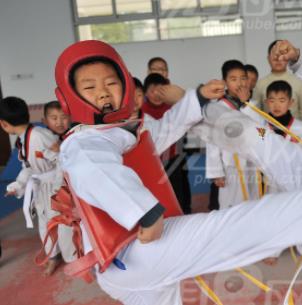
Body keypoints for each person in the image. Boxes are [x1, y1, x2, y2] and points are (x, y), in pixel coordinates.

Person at [52, 40, 302, 305]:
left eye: (111, 84)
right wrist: (144, 213)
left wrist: (194, 99)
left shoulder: (127, 132)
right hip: (133, 247)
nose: (103, 94)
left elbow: (171, 127)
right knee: (243, 225)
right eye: (90, 88)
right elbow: (94, 170)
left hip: (130, 264)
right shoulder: (83, 141)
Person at [0, 97, 63, 275]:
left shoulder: (40, 136)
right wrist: (18, 185)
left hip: (55, 186)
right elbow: (28, 167)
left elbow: (63, 160)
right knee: (45, 223)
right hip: (42, 186)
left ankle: (72, 256)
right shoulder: (24, 139)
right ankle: (53, 256)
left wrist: (59, 187)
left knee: (61, 223)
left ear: (4, 124)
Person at [205, 60, 259, 209]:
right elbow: (211, 141)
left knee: (255, 203)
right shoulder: (216, 108)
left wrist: (246, 105)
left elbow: (261, 133)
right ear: (225, 83)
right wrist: (216, 171)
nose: (239, 83)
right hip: (230, 167)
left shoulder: (253, 106)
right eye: (233, 79)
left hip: (254, 165)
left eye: (243, 78)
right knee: (231, 206)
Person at [142, 73, 192, 214]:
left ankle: (184, 215)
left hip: (173, 158)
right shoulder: (142, 111)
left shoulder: (172, 108)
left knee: (178, 193)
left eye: (161, 90)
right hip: (153, 162)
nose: (156, 94)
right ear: (145, 92)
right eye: (152, 90)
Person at [253, 40, 302, 119]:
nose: (278, 59)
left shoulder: (299, 82)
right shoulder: (259, 84)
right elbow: (255, 113)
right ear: (268, 58)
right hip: (268, 130)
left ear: (287, 57)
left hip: (295, 130)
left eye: (281, 55)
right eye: (274, 55)